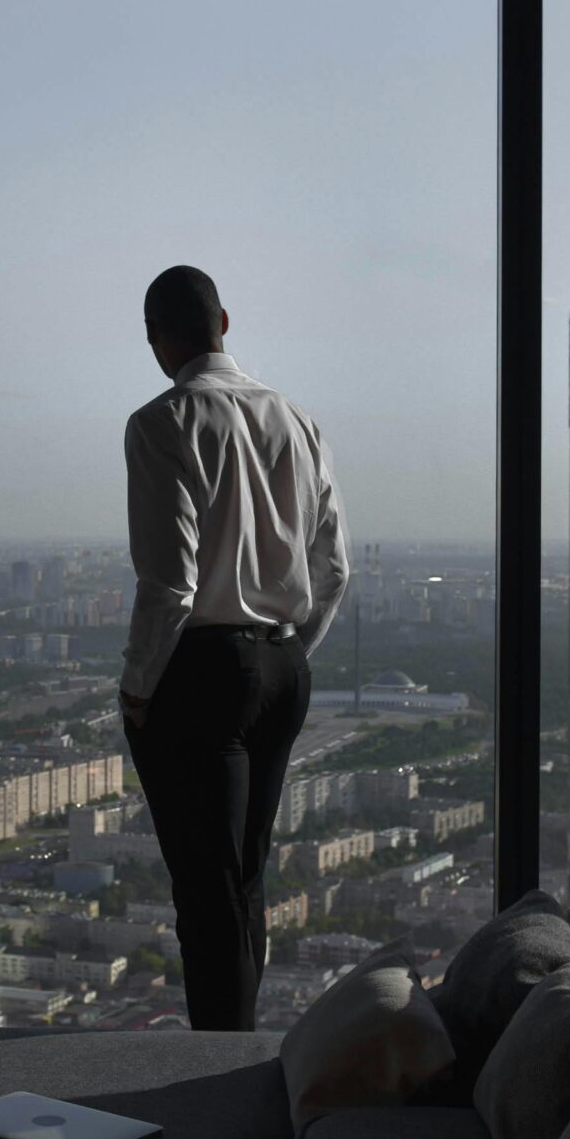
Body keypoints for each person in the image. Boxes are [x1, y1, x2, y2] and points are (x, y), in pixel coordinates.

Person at [119, 264, 349, 1031]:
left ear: (155, 339)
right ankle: (240, 1054)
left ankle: (218, 1062)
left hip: (202, 676)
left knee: (205, 891)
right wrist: (285, 650)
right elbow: (334, 567)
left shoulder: (162, 423)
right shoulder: (296, 420)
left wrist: (137, 687)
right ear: (224, 324)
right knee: (246, 879)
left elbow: (170, 584)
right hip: (282, 669)